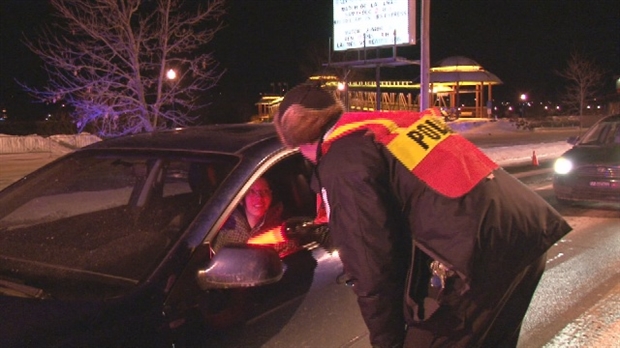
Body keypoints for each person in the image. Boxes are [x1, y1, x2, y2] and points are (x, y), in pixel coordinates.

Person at [272, 83, 572, 348]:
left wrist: (386, 341)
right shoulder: (383, 127)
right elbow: (406, 202)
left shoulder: (342, 161)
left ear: (298, 139)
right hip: (523, 232)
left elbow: (371, 262)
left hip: (480, 256)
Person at [212, 176, 297, 256]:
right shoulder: (226, 228)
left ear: (271, 196)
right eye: (252, 191)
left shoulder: (282, 233)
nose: (259, 197)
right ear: (242, 198)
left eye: (265, 191)